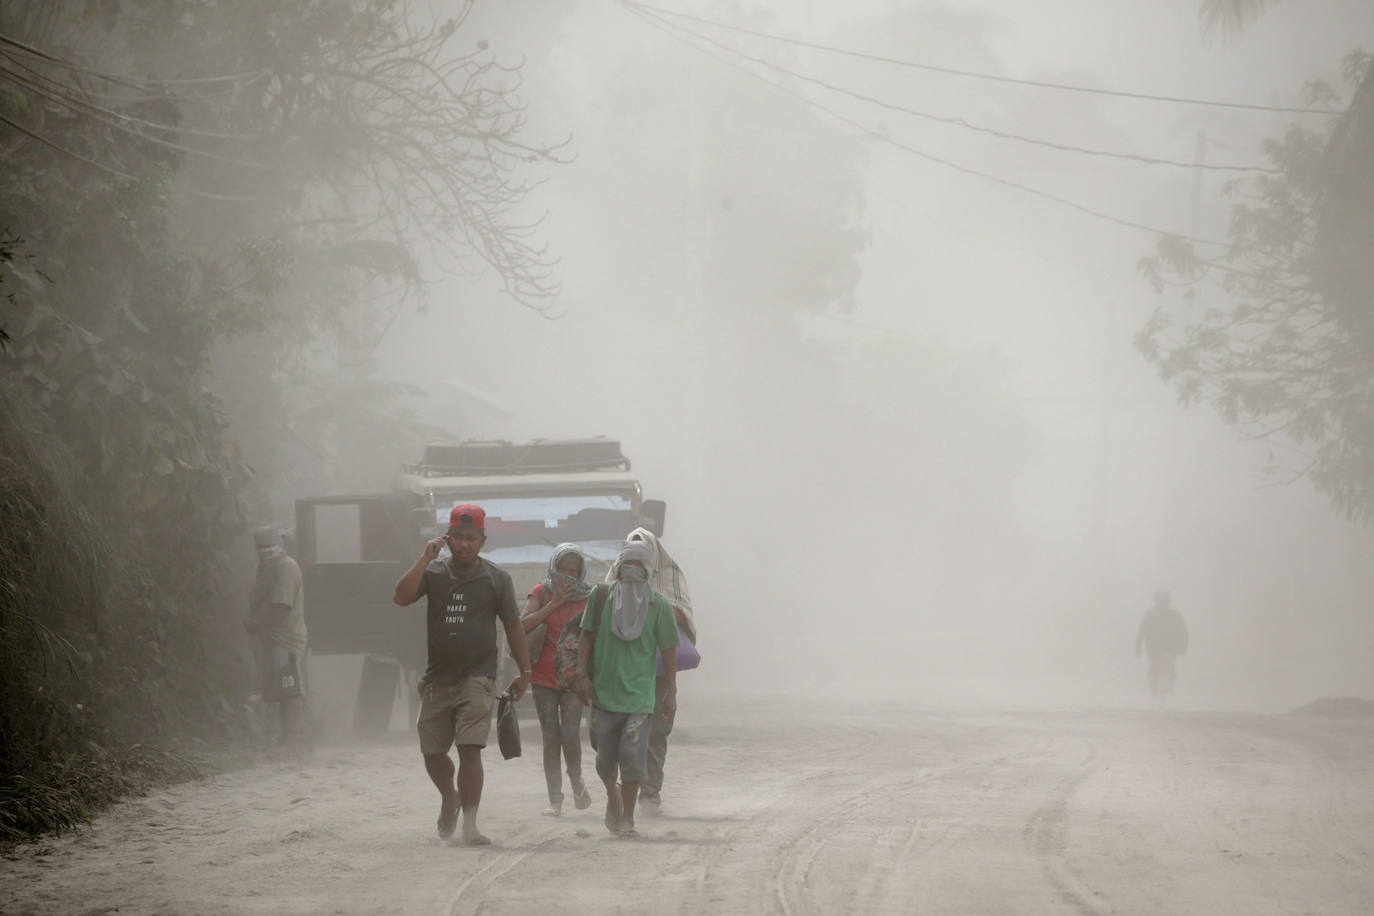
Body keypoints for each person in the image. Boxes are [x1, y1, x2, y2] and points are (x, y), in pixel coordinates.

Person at [393, 504, 532, 845]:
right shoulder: (435, 573)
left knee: (470, 749)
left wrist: (525, 671)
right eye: (458, 537)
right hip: (438, 678)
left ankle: (470, 825)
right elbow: (401, 597)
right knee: (432, 752)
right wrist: (425, 558)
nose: (465, 544)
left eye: (471, 538)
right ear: (447, 538)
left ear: (482, 541)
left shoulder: (497, 579)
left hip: (478, 677)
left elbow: (513, 626)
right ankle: (449, 797)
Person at [572, 540, 679, 837]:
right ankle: (612, 795)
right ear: (618, 569)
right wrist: (581, 671)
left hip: (640, 700)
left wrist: (671, 693)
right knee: (604, 760)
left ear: (647, 571)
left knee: (633, 758)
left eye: (638, 566)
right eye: (626, 565)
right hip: (604, 696)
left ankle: (628, 818)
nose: (631, 572)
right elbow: (586, 635)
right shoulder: (600, 596)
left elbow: (670, 650)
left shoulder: (659, 606)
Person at [603, 527, 696, 816]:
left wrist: (648, 599)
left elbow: (681, 616)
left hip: (654, 673)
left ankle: (650, 794)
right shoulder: (607, 590)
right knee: (615, 736)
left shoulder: (667, 577)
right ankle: (622, 792)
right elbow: (595, 627)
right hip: (620, 672)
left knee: (655, 732)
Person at [521, 543, 594, 816]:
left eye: (572, 570)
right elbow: (522, 625)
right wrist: (554, 603)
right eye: (562, 569)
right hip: (542, 678)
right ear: (553, 567)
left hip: (573, 678)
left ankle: (577, 782)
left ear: (580, 572)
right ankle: (555, 800)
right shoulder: (541, 592)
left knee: (570, 735)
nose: (566, 575)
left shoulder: (589, 598)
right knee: (550, 737)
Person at [244, 525, 309, 748]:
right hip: (270, 638)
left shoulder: (286, 567)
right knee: (277, 690)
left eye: (270, 547)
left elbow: (281, 606)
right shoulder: (265, 567)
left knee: (290, 689)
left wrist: (257, 625)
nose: (265, 551)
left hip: (285, 638)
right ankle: (281, 738)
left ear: (280, 546)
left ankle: (292, 740)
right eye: (261, 548)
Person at [1135, 590, 1189, 708]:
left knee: (1165, 674)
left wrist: (1182, 648)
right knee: (1155, 673)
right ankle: (1155, 699)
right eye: (1161, 600)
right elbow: (1142, 631)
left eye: (1165, 600)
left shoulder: (1173, 615)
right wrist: (1138, 647)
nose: (1164, 602)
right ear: (1156, 601)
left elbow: (1183, 632)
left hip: (1168, 651)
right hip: (1154, 651)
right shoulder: (1150, 614)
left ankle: (1161, 701)